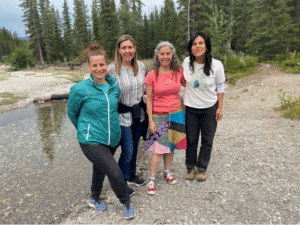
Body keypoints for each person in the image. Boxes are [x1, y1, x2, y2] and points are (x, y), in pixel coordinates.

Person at [67, 43, 135, 219]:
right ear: (89, 67)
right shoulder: (80, 89)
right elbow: (72, 113)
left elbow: (113, 110)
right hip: (90, 140)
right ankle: (125, 201)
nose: (99, 69)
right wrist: (84, 129)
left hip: (112, 138)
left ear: (107, 65)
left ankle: (94, 198)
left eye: (102, 65)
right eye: (94, 65)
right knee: (114, 171)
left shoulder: (114, 86)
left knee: (100, 168)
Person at [144, 41, 187, 195]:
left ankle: (167, 171)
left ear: (172, 55)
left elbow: (190, 85)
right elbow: (148, 98)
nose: (165, 56)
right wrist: (150, 120)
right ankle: (151, 179)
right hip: (159, 116)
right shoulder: (151, 75)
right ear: (157, 55)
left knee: (171, 146)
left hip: (176, 114)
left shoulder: (179, 71)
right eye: (162, 54)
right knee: (158, 149)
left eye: (168, 53)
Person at [183, 31, 225, 182]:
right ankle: (190, 166)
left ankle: (202, 168)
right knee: (191, 139)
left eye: (200, 43)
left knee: (207, 140)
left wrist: (219, 107)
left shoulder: (216, 65)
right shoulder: (187, 63)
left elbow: (220, 87)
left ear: (207, 46)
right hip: (191, 108)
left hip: (210, 107)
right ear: (190, 47)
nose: (197, 46)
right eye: (194, 44)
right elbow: (183, 82)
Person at [108, 35, 146, 189]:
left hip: (138, 114)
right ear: (119, 50)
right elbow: (102, 89)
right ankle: (120, 181)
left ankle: (131, 175)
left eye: (130, 47)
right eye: (124, 48)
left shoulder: (142, 67)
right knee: (128, 150)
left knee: (135, 147)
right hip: (121, 115)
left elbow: (147, 88)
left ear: (135, 49)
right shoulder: (112, 69)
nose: (127, 51)